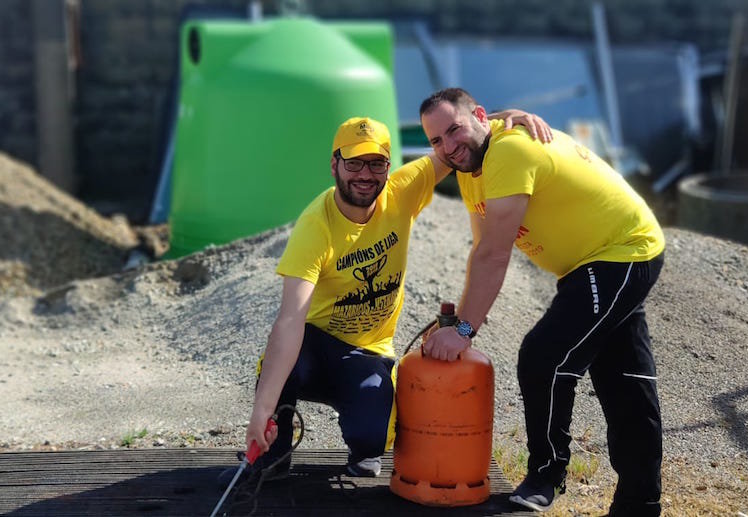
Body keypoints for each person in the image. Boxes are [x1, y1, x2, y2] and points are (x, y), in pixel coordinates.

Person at [235, 111, 551, 484]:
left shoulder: (403, 190)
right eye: (354, 162)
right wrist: (263, 410)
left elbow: (456, 144)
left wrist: (500, 118)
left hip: (367, 353)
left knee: (372, 441)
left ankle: (363, 445)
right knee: (285, 368)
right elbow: (290, 321)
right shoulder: (315, 226)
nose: (365, 174)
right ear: (334, 164)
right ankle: (270, 461)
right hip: (313, 345)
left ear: (389, 167)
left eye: (376, 163)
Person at [420, 88, 666, 516]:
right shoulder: (471, 164)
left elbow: (497, 256)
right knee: (624, 380)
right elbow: (482, 251)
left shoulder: (509, 152)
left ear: (480, 116)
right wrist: (459, 321)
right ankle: (640, 504)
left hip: (621, 252)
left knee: (544, 358)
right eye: (436, 140)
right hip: (592, 263)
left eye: (454, 130)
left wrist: (463, 332)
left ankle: (546, 475)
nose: (448, 147)